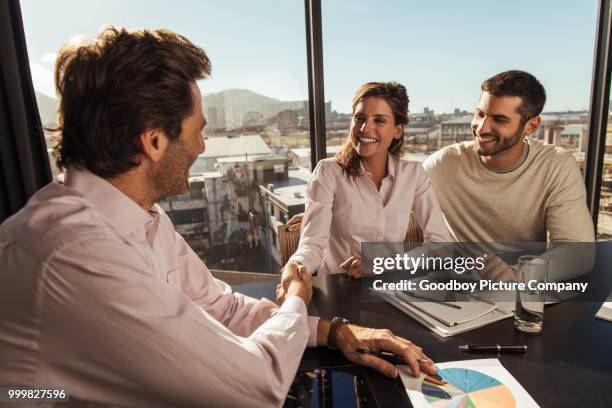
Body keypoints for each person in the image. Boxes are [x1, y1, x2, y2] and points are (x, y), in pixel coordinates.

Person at [0, 27, 436, 407]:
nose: (203, 148)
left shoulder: (143, 220)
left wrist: (333, 330)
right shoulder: (75, 251)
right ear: (153, 140)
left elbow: (221, 307)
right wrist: (300, 298)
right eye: (198, 131)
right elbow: (253, 387)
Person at [423, 70, 595, 281]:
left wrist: (520, 274)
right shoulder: (443, 164)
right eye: (480, 114)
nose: (482, 127)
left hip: (520, 292)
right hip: (455, 285)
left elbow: (579, 252)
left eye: (499, 119)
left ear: (531, 126)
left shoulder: (555, 165)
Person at [285, 82, 449, 278]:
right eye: (359, 118)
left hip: (392, 288)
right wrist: (295, 266)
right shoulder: (328, 172)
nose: (365, 128)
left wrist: (385, 264)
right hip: (339, 290)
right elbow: (312, 244)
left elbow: (440, 246)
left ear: (398, 130)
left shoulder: (414, 175)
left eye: (379, 120)